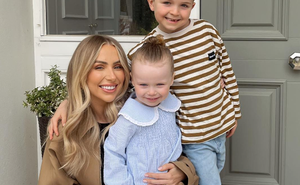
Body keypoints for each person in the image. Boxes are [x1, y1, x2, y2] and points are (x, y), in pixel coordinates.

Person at [127, 0, 241, 185]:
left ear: (192, 6)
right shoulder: (150, 47)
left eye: (184, 5)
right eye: (167, 3)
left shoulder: (207, 31)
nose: (175, 12)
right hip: (194, 136)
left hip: (222, 126)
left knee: (213, 173)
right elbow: (128, 81)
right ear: (151, 2)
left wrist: (234, 112)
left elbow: (227, 72)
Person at [41, 35, 199, 185]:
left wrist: (181, 173)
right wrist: (69, 103)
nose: (111, 76)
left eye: (117, 66)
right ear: (82, 73)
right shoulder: (66, 130)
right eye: (99, 67)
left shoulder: (143, 107)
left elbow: (173, 150)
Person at [104, 35, 183, 185]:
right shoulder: (129, 118)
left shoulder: (171, 107)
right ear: (132, 79)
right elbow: (113, 152)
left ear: (172, 79)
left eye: (160, 84)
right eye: (143, 85)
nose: (152, 92)